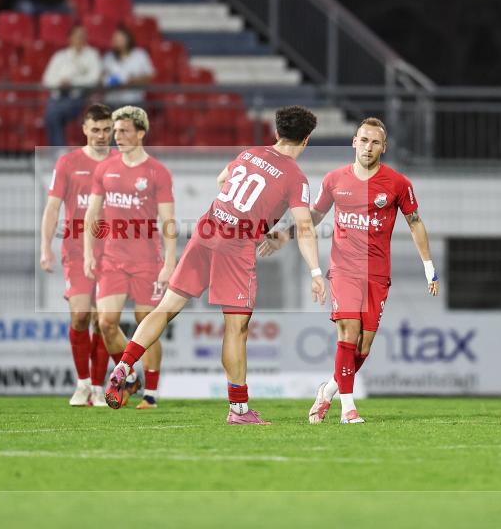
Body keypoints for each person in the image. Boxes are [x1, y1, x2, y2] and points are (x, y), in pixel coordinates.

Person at [106, 106, 325, 424]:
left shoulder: (250, 154)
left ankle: (124, 365)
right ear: (306, 140)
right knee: (236, 329)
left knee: (165, 308)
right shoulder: (296, 177)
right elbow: (305, 227)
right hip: (234, 247)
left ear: (276, 133)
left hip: (207, 229)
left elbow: (222, 180)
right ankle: (238, 409)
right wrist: (316, 272)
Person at [261, 117, 440, 424]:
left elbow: (415, 223)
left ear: (383, 147)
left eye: (375, 142)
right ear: (353, 142)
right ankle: (348, 409)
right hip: (344, 268)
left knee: (363, 345)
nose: (368, 147)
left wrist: (429, 267)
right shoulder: (334, 180)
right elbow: (313, 216)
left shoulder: (398, 184)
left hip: (378, 272)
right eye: (364, 140)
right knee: (348, 331)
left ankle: (328, 390)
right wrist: (284, 235)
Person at [84, 106, 176, 409]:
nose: (116, 136)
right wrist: (88, 254)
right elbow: (92, 215)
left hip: (147, 261)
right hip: (112, 259)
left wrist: (170, 262)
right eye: (115, 130)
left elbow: (168, 222)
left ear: (140, 133)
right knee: (106, 323)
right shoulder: (105, 169)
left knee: (145, 323)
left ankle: (150, 393)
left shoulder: (157, 172)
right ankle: (130, 373)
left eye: (123, 130)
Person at [40, 104, 116, 406]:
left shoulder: (121, 163)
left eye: (106, 129)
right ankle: (82, 382)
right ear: (84, 130)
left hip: (113, 251)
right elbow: (52, 208)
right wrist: (45, 247)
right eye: (95, 129)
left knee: (104, 320)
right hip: (75, 248)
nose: (101, 135)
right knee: (81, 314)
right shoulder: (68, 163)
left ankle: (98, 387)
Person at [41, 25, 102, 146]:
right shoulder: (59, 56)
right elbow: (47, 79)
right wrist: (60, 83)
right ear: (70, 38)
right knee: (51, 115)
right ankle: (58, 151)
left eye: (82, 36)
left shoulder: (92, 55)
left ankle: (59, 153)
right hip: (57, 96)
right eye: (77, 36)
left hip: (78, 98)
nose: (80, 39)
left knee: (53, 114)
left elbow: (94, 78)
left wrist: (72, 83)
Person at [101, 27, 155, 107]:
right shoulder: (108, 57)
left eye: (120, 39)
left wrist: (133, 81)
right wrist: (107, 81)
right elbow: (102, 77)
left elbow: (150, 75)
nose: (117, 42)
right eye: (115, 39)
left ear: (128, 40)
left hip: (134, 101)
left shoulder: (140, 55)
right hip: (112, 102)